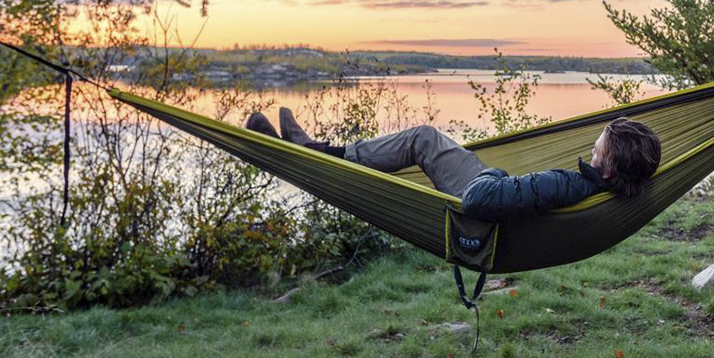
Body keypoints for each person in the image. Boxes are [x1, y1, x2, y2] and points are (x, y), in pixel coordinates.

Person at [247, 108, 661, 221]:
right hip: (498, 201)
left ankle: (318, 153)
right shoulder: (611, 188)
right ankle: (315, 149)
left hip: (480, 199)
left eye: (598, 147)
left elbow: (479, 200)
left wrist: (495, 172)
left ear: (607, 168)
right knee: (428, 138)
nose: (592, 146)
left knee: (422, 138)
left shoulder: (564, 184)